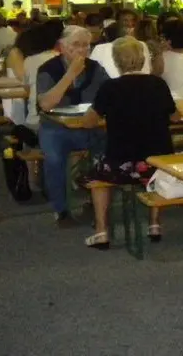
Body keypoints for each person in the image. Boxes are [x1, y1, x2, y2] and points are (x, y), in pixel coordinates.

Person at [81, 37, 181, 249]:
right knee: (154, 173)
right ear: (143, 58)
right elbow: (175, 116)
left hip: (121, 162)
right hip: (157, 164)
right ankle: (154, 224)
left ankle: (101, 231)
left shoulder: (110, 88)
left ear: (117, 61)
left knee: (96, 179)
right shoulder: (158, 84)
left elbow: (89, 121)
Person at [37, 26, 109, 226]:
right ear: (62, 47)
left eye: (86, 45)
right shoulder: (47, 69)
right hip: (55, 127)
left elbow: (110, 94)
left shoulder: (96, 68)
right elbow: (45, 104)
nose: (82, 50)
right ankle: (61, 210)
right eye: (76, 45)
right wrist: (70, 74)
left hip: (88, 126)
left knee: (109, 146)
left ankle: (97, 204)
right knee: (54, 158)